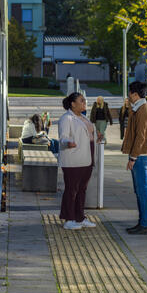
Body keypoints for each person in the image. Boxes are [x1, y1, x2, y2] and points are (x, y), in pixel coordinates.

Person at [58, 92, 98, 230]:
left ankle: (80, 218)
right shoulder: (66, 118)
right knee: (71, 189)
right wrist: (68, 142)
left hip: (87, 159)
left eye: (84, 101)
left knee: (82, 189)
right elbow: (63, 137)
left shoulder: (83, 117)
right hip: (73, 160)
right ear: (73, 104)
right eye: (81, 101)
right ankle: (69, 219)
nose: (84, 103)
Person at [121, 81, 147, 235]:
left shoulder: (142, 110)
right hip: (139, 155)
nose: (128, 96)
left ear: (135, 94)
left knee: (142, 191)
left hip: (140, 156)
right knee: (139, 191)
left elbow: (140, 136)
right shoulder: (138, 108)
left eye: (130, 94)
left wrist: (133, 158)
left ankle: (145, 223)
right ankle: (143, 222)